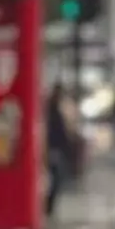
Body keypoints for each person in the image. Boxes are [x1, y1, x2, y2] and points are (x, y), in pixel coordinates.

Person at [44, 81, 73, 218]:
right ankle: (48, 207)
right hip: (53, 149)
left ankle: (48, 206)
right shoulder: (52, 110)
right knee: (55, 179)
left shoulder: (51, 109)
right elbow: (58, 132)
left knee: (55, 179)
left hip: (54, 149)